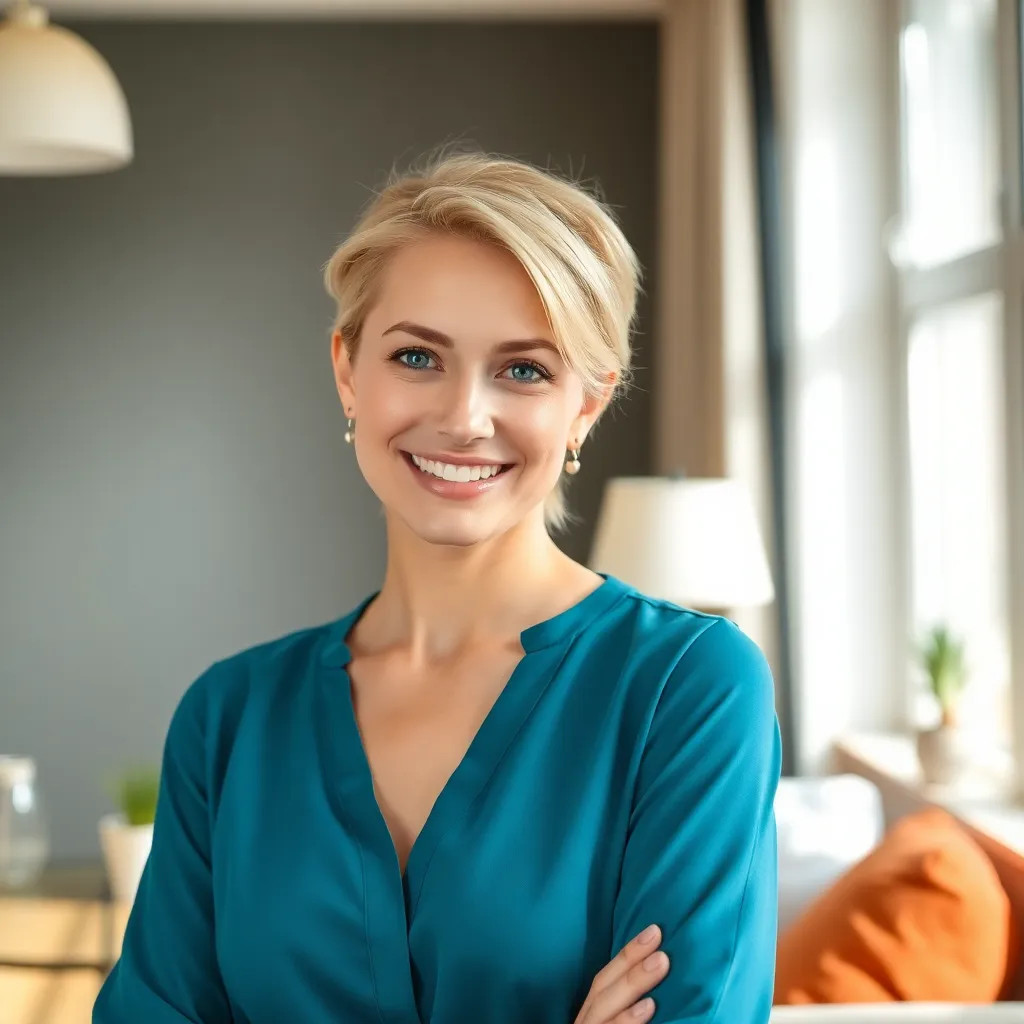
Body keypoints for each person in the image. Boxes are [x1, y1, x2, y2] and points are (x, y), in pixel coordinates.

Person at [93, 150, 782, 1024]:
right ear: (348, 372)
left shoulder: (688, 691)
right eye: (418, 356)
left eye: (524, 369)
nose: (463, 417)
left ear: (587, 403)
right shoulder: (230, 720)